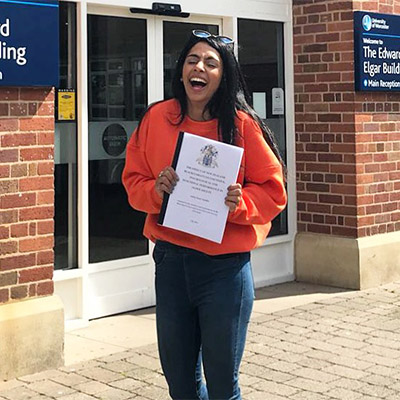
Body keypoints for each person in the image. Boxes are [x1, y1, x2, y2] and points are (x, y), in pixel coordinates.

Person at [122, 30, 287, 400]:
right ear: (181, 71)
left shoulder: (243, 126)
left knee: (223, 384)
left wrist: (240, 202)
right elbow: (133, 179)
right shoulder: (156, 117)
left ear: (223, 75)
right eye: (192, 60)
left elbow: (274, 191)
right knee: (180, 382)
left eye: (210, 63)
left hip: (224, 270)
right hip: (171, 263)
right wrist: (156, 191)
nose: (199, 67)